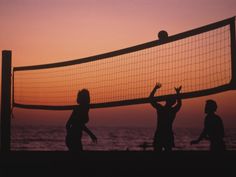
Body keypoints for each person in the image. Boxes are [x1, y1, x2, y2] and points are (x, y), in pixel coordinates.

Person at [149, 83, 182, 151]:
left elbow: (151, 99)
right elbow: (179, 104)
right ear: (173, 102)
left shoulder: (161, 108)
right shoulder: (172, 110)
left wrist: (155, 88)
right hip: (167, 133)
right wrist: (178, 93)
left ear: (166, 100)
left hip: (160, 133)